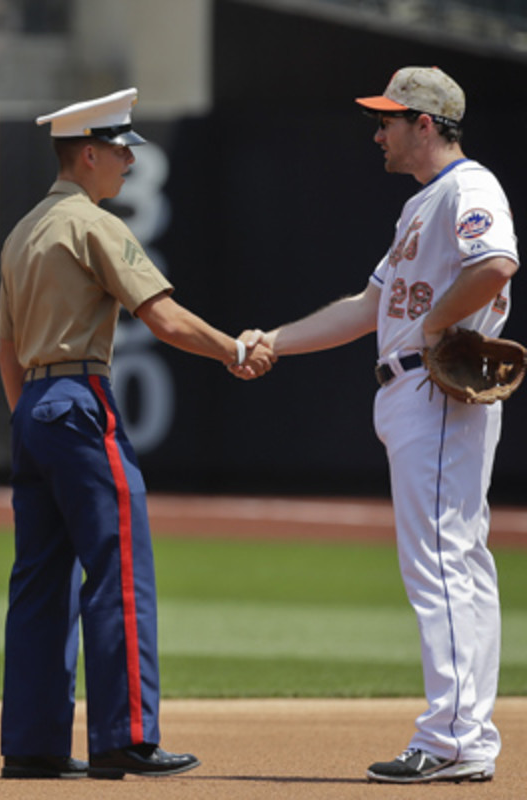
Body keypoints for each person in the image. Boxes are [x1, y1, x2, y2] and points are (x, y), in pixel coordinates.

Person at [0, 88, 273, 780]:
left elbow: (4, 346)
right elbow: (165, 319)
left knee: (38, 580)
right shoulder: (95, 224)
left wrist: (26, 417)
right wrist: (234, 351)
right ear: (87, 153)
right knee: (117, 566)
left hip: (31, 405)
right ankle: (125, 738)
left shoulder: (24, 229)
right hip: (79, 396)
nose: (126, 161)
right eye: (119, 149)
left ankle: (32, 746)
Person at [249, 66, 516, 784]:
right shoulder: (421, 207)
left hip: (435, 392)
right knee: (454, 560)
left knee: (441, 564)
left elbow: (496, 263)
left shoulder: (468, 187)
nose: (378, 133)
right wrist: (276, 337)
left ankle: (454, 738)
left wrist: (436, 323)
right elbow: (367, 308)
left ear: (425, 125)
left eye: (389, 120)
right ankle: (465, 735)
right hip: (412, 394)